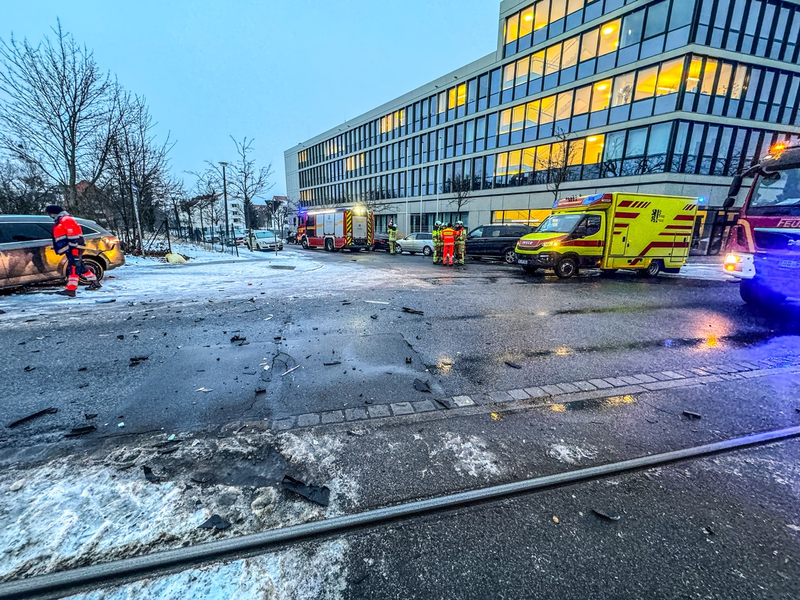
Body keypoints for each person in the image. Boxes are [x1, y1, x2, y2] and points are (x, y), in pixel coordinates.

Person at [46, 205, 100, 298]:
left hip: (73, 248)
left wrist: (73, 246)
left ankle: (71, 290)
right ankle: (94, 282)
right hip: (72, 248)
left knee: (73, 268)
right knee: (79, 266)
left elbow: (73, 234)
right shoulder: (62, 220)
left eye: (49, 213)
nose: (50, 216)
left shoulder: (65, 220)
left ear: (53, 212)